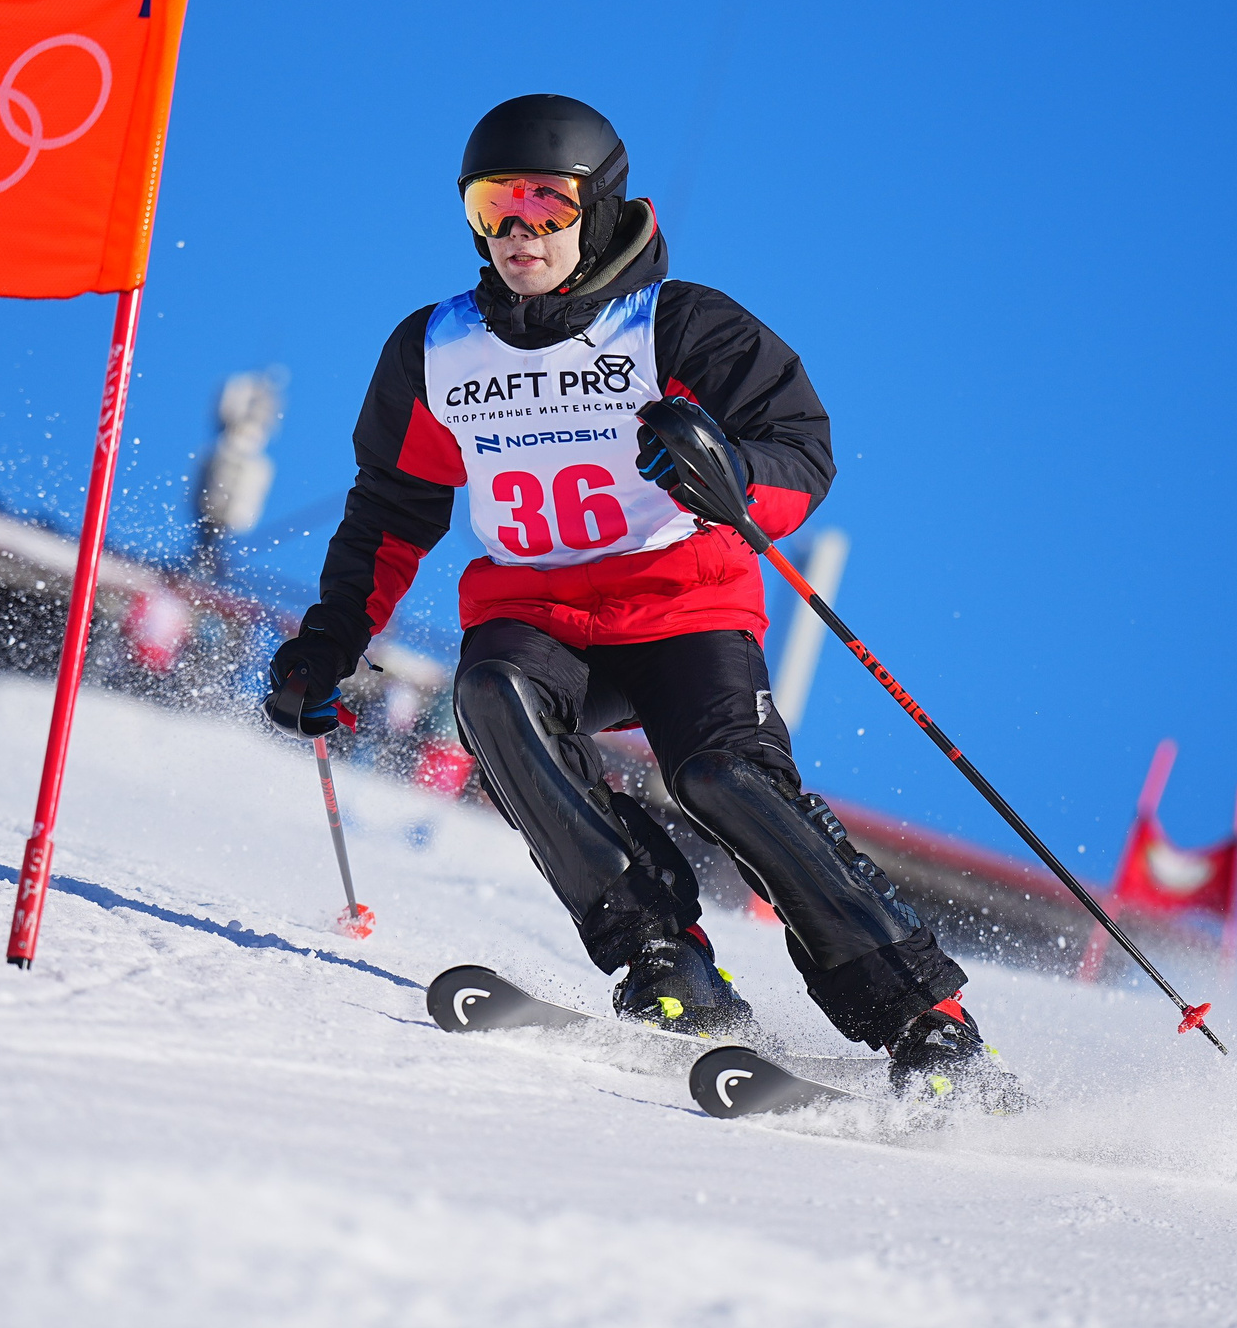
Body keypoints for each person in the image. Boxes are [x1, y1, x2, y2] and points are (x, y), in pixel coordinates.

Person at [265, 94, 1003, 1099]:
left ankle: (922, 1016)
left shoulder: (679, 325)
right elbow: (392, 509)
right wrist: (332, 637)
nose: (518, 233)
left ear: (599, 209)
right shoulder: (435, 351)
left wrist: (731, 472)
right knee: (491, 697)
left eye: (544, 206)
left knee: (722, 779)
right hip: (538, 611)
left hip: (682, 605)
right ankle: (664, 959)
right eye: (492, 209)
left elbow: (802, 451)